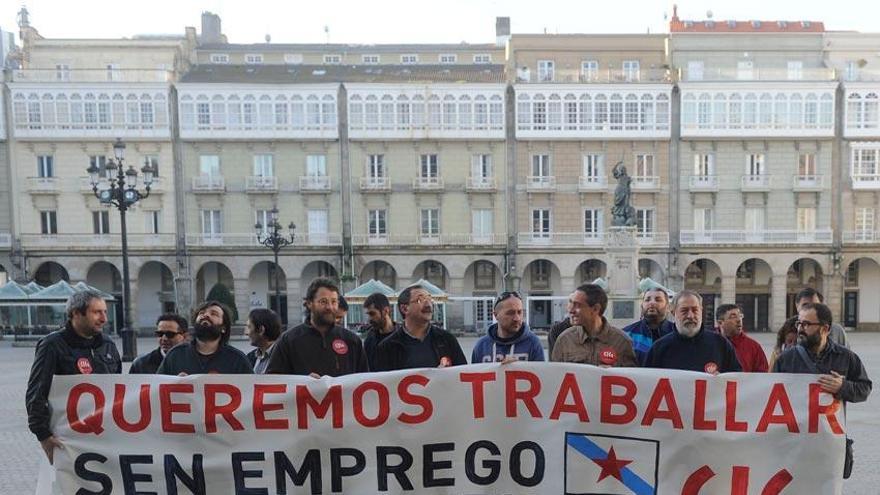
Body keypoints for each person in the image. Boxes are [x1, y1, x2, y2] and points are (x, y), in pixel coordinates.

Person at [26, 290, 121, 463]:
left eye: (105, 312)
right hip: (68, 439)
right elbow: (36, 393)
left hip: (105, 436)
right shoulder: (52, 345)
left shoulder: (107, 344)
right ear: (76, 313)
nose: (104, 319)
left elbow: (119, 389)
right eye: (97, 312)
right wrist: (43, 435)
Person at [267, 278, 367, 376]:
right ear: (309, 303)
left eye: (334, 302)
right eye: (323, 302)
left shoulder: (352, 341)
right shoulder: (288, 341)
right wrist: (303, 383)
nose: (329, 307)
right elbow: (273, 381)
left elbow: (364, 381)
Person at [772, 302, 870, 399]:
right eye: (798, 324)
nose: (800, 329)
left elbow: (865, 389)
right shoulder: (785, 359)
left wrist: (842, 387)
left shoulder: (845, 356)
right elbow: (771, 391)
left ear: (825, 329)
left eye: (806, 324)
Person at [645, 290, 742, 374]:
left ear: (701, 311)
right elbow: (647, 383)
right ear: (673, 312)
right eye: (684, 311)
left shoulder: (721, 344)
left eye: (695, 310)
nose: (690, 316)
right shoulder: (659, 348)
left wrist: (721, 380)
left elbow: (736, 379)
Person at [375, 285, 467, 371]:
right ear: (404, 309)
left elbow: (462, 375)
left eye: (430, 299)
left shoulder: (446, 339)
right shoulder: (387, 346)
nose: (428, 304)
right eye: (420, 300)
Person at [551, 284, 637, 367]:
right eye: (570, 303)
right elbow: (555, 376)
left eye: (578, 305)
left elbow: (632, 376)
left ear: (596, 309)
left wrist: (612, 374)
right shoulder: (565, 340)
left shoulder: (622, 342)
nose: (571, 310)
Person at [157, 301, 252, 375]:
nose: (206, 315)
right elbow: (156, 388)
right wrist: (176, 383)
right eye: (201, 313)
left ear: (223, 328)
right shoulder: (175, 355)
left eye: (214, 314)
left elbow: (251, 393)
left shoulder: (237, 359)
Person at [472, 291, 545, 363]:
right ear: (496, 315)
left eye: (519, 312)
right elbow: (473, 374)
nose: (517, 318)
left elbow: (541, 373)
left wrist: (517, 369)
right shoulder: (481, 346)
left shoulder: (533, 343)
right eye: (510, 313)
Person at [622, 288, 676, 365]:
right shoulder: (626, 334)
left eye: (658, 300)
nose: (652, 303)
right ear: (642, 306)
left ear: (668, 307)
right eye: (647, 300)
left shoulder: (677, 333)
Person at [715, 304, 768, 372]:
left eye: (740, 316)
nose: (739, 320)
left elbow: (763, 375)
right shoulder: (710, 344)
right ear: (720, 322)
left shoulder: (753, 347)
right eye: (733, 317)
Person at [361, 292, 398, 371]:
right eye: (368, 314)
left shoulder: (402, 337)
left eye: (372, 314)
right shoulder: (370, 339)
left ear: (386, 311)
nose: (369, 319)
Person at [245, 308, 282, 374]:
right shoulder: (250, 357)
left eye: (249, 327)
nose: (246, 333)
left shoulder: (285, 356)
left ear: (261, 330)